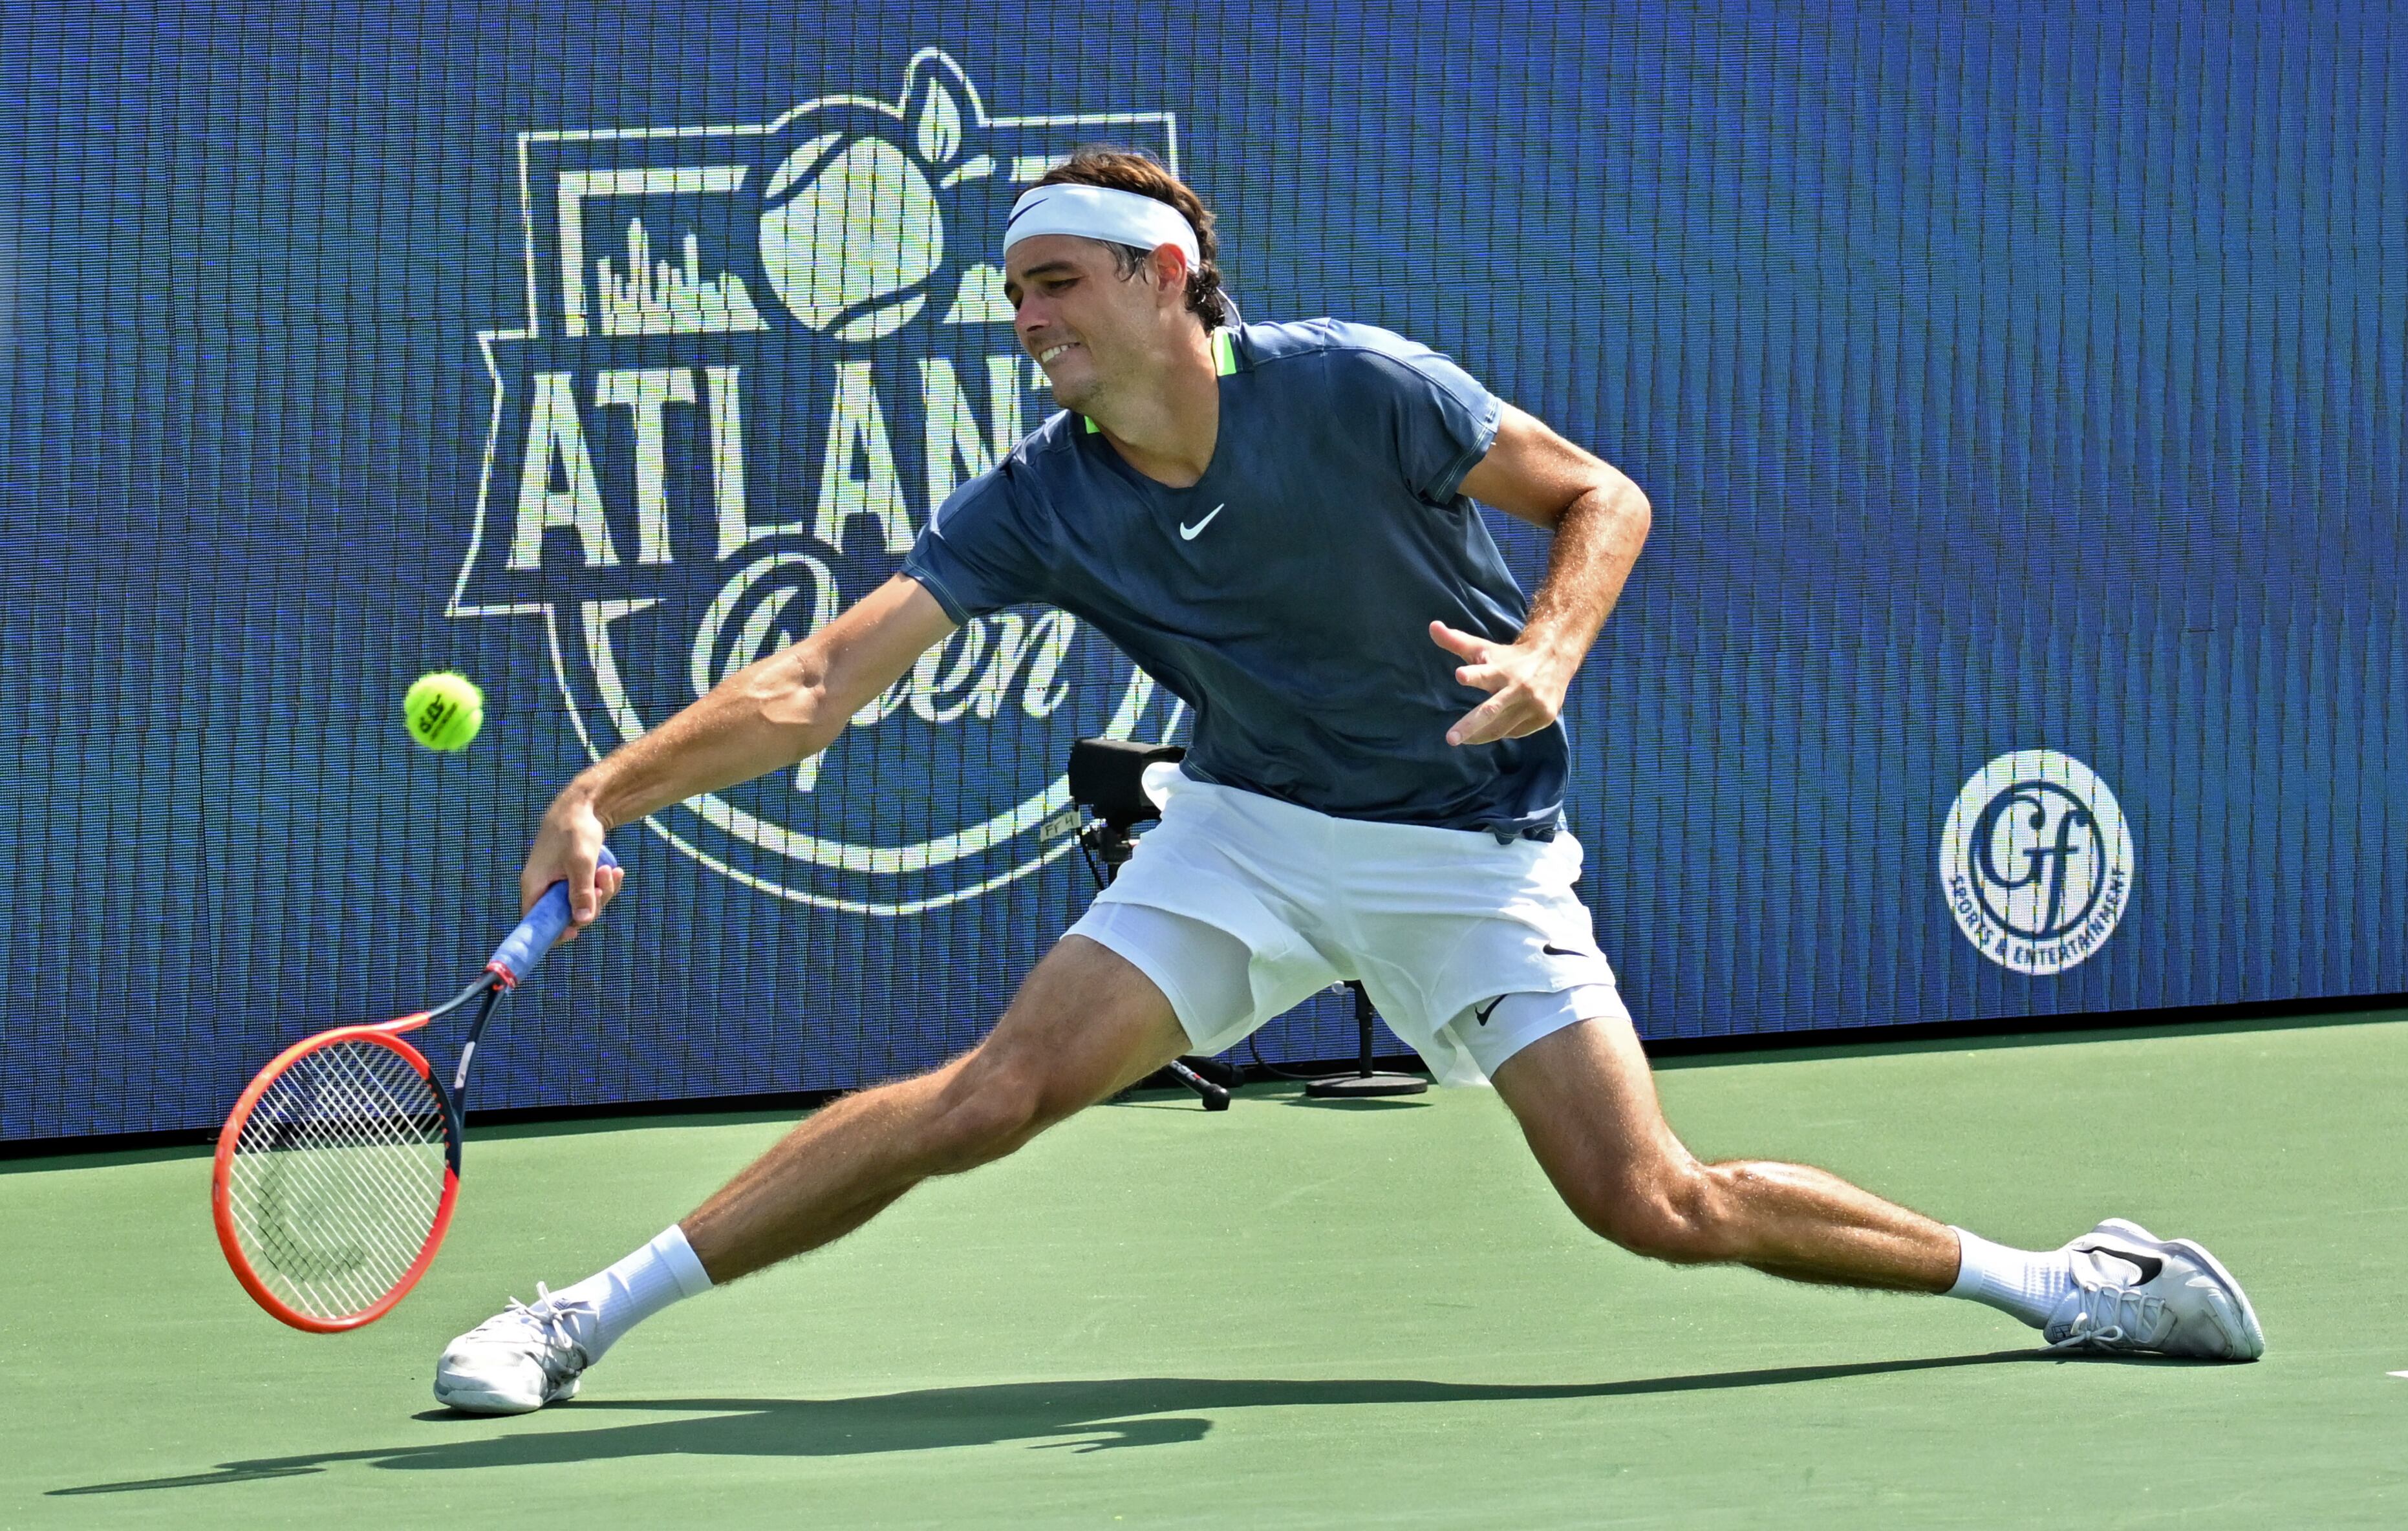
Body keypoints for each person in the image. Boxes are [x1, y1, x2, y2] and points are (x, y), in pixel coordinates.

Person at [434, 150, 2262, 1415]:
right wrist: (607, 789)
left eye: (1055, 285)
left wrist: (1548, 650)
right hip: (1243, 835)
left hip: (1469, 854)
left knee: (1650, 1201)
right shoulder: (1040, 493)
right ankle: (583, 1319)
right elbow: (818, 677)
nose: (1026, 321)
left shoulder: (1357, 386)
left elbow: (1600, 497)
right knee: (989, 1095)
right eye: (1013, 294)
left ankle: (2059, 1284)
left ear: (1163, 282)